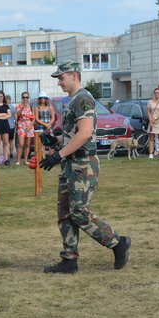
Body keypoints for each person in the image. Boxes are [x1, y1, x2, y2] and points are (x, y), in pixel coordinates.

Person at [40, 61, 131, 274]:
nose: (59, 82)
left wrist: (57, 155)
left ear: (73, 76)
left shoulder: (83, 99)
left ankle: (117, 242)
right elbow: (74, 134)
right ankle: (69, 260)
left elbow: (85, 133)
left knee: (79, 212)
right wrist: (55, 141)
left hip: (83, 164)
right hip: (71, 163)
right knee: (65, 213)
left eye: (61, 78)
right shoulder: (73, 101)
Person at [15, 92, 35, 165]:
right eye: (24, 97)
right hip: (21, 124)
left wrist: (30, 126)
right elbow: (17, 114)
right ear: (21, 98)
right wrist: (23, 107)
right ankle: (18, 160)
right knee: (21, 144)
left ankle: (26, 160)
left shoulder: (31, 107)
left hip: (29, 125)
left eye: (27, 97)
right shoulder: (19, 106)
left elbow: (33, 118)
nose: (25, 99)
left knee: (27, 144)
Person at [147, 88, 159, 159]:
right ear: (154, 93)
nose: (157, 94)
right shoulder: (150, 102)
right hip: (152, 121)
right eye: (155, 93)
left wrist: (155, 118)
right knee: (151, 137)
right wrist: (150, 119)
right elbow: (148, 111)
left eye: (158, 93)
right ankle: (151, 153)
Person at [7, 95, 17, 161]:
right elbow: (15, 117)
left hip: (5, 126)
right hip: (12, 126)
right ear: (10, 100)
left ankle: (7, 154)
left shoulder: (4, 107)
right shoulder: (13, 108)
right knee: (11, 141)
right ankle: (11, 154)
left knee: (5, 141)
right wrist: (15, 123)